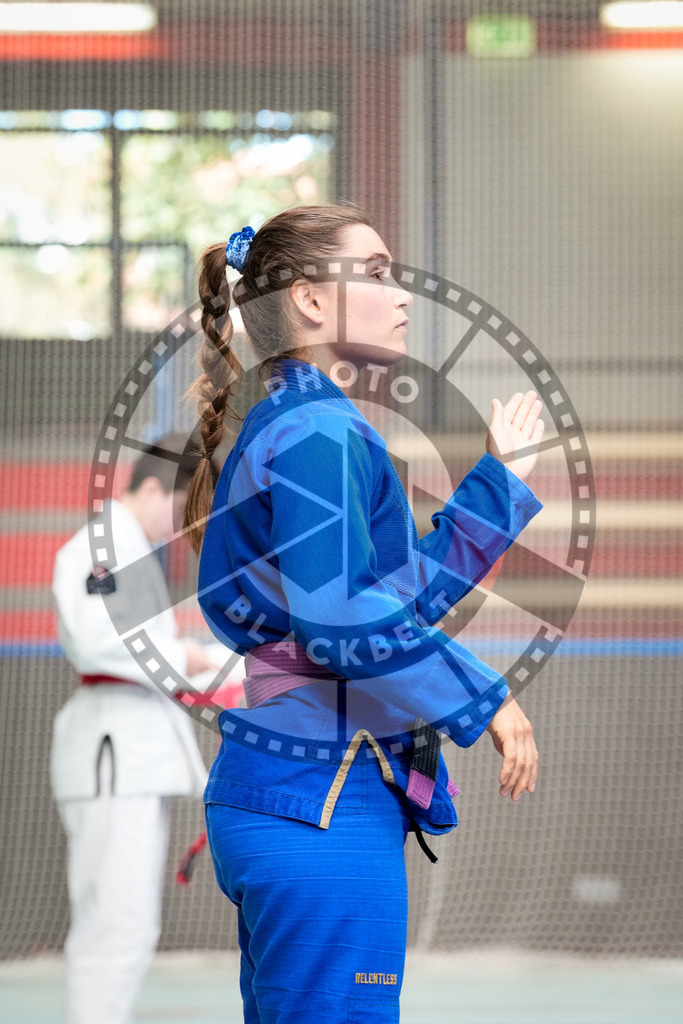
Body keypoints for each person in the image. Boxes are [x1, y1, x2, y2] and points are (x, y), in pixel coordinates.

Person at [184, 204, 545, 1023]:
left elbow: (382, 599)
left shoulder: (308, 420)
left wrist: (493, 485)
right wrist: (485, 695)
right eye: (377, 272)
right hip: (321, 794)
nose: (403, 291)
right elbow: (341, 618)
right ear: (311, 300)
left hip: (307, 791)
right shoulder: (315, 427)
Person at [50, 438, 223, 1024]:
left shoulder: (130, 553)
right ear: (152, 489)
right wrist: (183, 655)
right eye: (179, 509)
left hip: (132, 753)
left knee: (129, 923)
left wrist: (186, 657)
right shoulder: (97, 551)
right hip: (111, 755)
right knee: (113, 923)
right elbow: (94, 641)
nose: (180, 525)